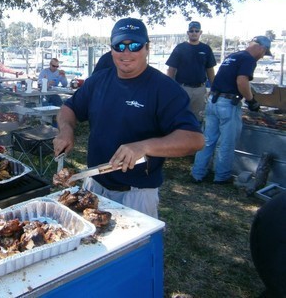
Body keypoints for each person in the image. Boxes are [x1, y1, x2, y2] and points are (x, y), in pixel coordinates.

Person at [53, 17, 204, 218]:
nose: (126, 52)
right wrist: (66, 131)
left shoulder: (165, 89)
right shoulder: (98, 81)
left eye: (134, 45)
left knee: (135, 249)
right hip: (93, 185)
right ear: (111, 49)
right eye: (119, 46)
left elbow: (194, 139)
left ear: (147, 48)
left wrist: (144, 147)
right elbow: (68, 109)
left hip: (137, 194)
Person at [191, 36, 272, 184]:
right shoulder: (248, 59)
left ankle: (197, 173)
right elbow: (242, 81)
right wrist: (251, 101)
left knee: (208, 140)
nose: (262, 57)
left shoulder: (233, 56)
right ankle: (221, 177)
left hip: (213, 101)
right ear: (261, 48)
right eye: (264, 53)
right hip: (228, 104)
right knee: (227, 142)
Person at [166, 21, 217, 123]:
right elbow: (171, 70)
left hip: (200, 90)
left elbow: (210, 70)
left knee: (197, 119)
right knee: (179, 115)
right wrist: (168, 87)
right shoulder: (180, 48)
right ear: (188, 33)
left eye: (196, 31)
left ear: (200, 32)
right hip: (182, 88)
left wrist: (214, 88)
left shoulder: (206, 49)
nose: (194, 33)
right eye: (191, 31)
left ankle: (194, 137)